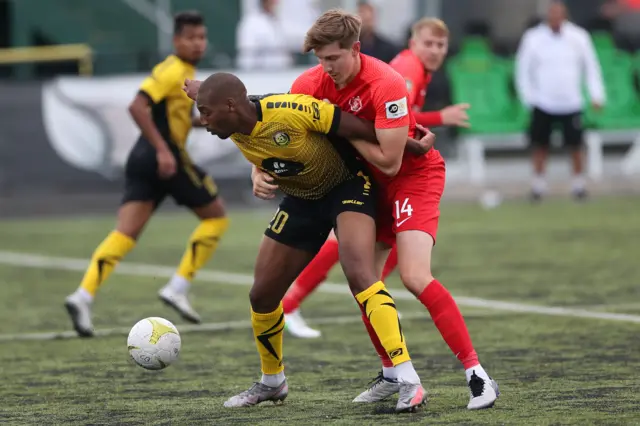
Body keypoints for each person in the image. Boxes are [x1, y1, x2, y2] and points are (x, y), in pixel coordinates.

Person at [253, 9, 499, 410]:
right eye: (319, 59)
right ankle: (391, 373)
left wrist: (338, 126)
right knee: (365, 284)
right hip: (369, 184)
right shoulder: (309, 84)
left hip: (412, 177)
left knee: (415, 276)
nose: (325, 68)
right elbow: (280, 128)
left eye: (332, 58)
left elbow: (391, 161)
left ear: (356, 49)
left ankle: (477, 375)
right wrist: (257, 169)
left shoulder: (387, 79)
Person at [188, 73, 434, 412]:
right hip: (301, 199)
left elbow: (358, 128)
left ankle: (408, 379)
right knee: (262, 294)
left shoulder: (291, 110)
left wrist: (409, 143)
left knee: (360, 275)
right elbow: (209, 94)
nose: (203, 121)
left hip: (346, 187)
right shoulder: (228, 117)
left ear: (230, 105)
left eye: (206, 112)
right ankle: (272, 382)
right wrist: (257, 173)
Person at [280, 17, 473, 340]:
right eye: (428, 43)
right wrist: (439, 118)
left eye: (440, 45)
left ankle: (375, 307)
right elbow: (391, 126)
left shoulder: (409, 70)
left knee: (386, 247)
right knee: (348, 247)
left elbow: (393, 124)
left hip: (378, 164)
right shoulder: (406, 71)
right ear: (412, 44)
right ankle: (294, 302)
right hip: (366, 169)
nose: (435, 51)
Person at [63, 11, 229, 337]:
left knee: (125, 233)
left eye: (202, 37)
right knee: (217, 218)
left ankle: (83, 295)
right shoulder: (172, 70)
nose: (198, 44)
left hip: (143, 158)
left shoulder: (184, 72)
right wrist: (164, 151)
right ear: (176, 41)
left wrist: (207, 121)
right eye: (191, 38)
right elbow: (137, 106)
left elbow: (174, 116)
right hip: (165, 159)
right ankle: (178, 287)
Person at [515, 0, 605, 201]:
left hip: (571, 101)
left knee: (575, 145)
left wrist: (596, 94)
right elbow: (523, 69)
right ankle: (538, 186)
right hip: (542, 101)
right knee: (540, 145)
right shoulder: (533, 38)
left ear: (565, 15)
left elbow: (590, 67)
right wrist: (528, 97)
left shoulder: (579, 37)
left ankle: (578, 185)